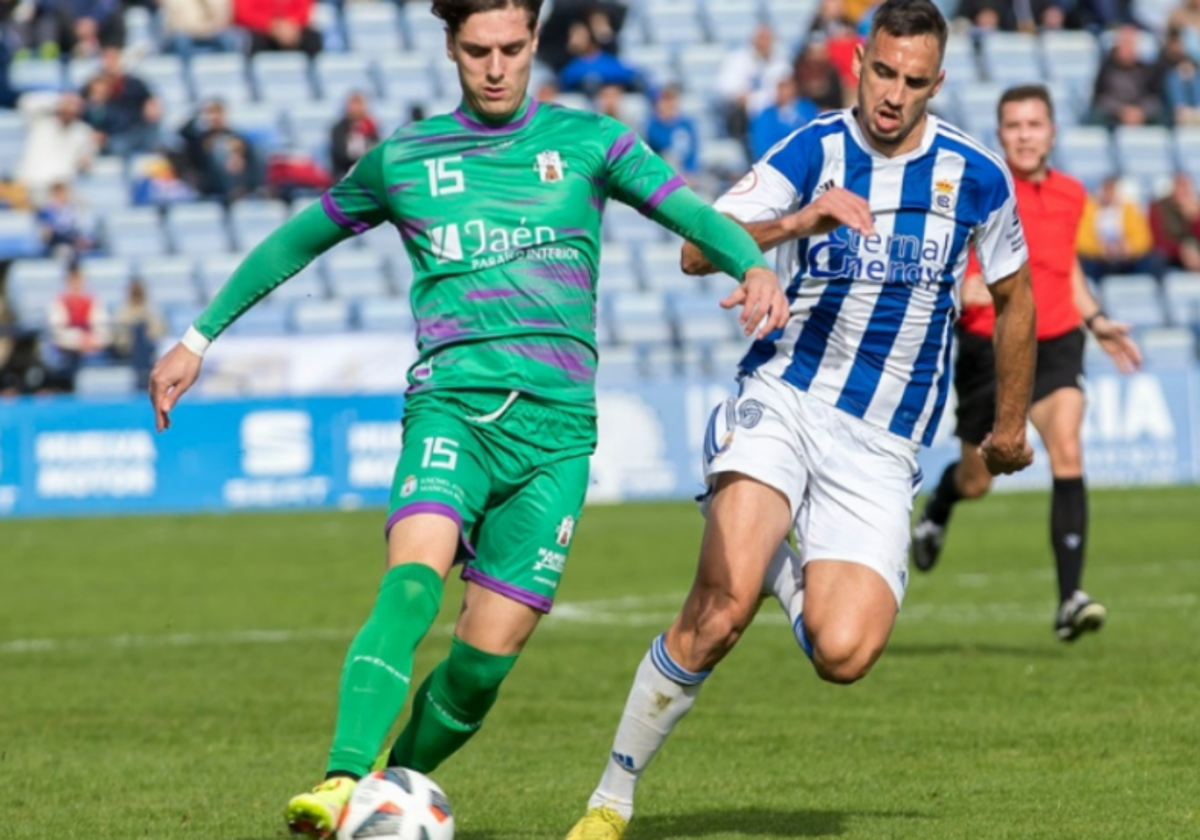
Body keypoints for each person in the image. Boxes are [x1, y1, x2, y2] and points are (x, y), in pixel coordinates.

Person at [146, 1, 788, 837]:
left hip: (556, 437)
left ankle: (387, 784)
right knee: (411, 581)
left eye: (512, 49)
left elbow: (693, 215)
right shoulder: (405, 159)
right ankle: (343, 778)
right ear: (450, 47)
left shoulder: (592, 144)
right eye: (478, 50)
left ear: (532, 45)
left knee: (481, 669)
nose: (495, 67)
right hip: (452, 407)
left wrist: (753, 266)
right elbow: (296, 241)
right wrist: (197, 339)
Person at [564, 3, 1036, 838]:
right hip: (787, 397)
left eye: (914, 81)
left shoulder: (977, 175)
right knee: (720, 610)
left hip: (884, 444)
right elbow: (695, 247)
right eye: (883, 72)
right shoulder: (813, 148)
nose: (893, 94)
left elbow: (1014, 296)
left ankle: (783, 561)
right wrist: (800, 220)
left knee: (843, 655)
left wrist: (1006, 425)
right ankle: (609, 802)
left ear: (939, 83)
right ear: (859, 60)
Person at [911, 85, 1142, 642]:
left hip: (1058, 336)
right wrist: (967, 289)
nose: (1024, 134)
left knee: (1067, 445)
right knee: (978, 479)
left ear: (1052, 132)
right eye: (1013, 125)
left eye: (1034, 124)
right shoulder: (982, 188)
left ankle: (1070, 599)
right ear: (1000, 133)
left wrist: (1096, 318)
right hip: (989, 348)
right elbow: (956, 270)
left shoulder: (1070, 193)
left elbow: (1065, 270)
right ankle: (942, 504)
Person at [1076, 175, 1160, 282]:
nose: (1109, 194)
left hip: (1127, 257)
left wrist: (1129, 248)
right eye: (1106, 190)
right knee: (1086, 266)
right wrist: (1100, 249)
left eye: (1112, 190)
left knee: (1149, 263)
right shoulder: (1089, 208)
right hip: (1098, 258)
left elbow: (1144, 238)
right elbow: (1080, 240)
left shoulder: (1129, 209)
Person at [47, 261, 111, 390]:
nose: (76, 282)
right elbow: (57, 331)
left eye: (79, 278)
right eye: (73, 279)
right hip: (67, 352)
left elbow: (103, 327)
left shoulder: (93, 301)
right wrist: (78, 339)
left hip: (92, 349)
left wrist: (93, 340)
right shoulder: (59, 302)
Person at [644, 84, 699, 178]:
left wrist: (689, 173)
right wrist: (664, 121)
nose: (669, 104)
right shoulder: (652, 124)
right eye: (665, 100)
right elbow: (658, 145)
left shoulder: (686, 124)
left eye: (671, 99)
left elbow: (693, 152)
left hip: (687, 174)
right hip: (662, 172)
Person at [1151, 171, 1200, 271]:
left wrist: (1195, 218)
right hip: (1171, 255)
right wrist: (1181, 250)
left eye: (1185, 186)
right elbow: (1159, 242)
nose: (1182, 191)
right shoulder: (1158, 207)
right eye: (1179, 185)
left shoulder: (1196, 207)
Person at [329, 91, 381, 181]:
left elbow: (377, 149)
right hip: (345, 173)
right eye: (354, 105)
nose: (357, 108)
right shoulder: (339, 129)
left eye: (360, 105)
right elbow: (342, 155)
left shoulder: (370, 127)